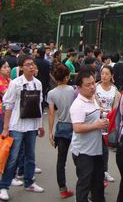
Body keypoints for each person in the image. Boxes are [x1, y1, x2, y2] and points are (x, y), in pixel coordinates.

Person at [0, 56, 45, 201]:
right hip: (16, 125)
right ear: (21, 67)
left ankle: (29, 182)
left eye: (32, 64)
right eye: (28, 65)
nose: (31, 67)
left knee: (30, 155)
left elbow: (39, 106)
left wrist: (40, 125)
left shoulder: (38, 84)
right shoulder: (16, 83)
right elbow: (8, 105)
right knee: (13, 157)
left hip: (32, 125)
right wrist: (5, 127)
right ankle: (3, 187)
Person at [69, 71, 108, 202]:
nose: (92, 87)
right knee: (84, 185)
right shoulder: (78, 105)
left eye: (93, 83)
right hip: (83, 152)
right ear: (79, 88)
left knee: (98, 184)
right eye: (88, 85)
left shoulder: (92, 98)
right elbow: (77, 127)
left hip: (96, 150)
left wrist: (100, 115)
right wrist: (97, 125)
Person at [47, 64, 75, 199]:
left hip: (61, 127)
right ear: (67, 77)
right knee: (81, 159)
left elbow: (51, 114)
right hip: (75, 126)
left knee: (61, 160)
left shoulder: (51, 93)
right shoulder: (73, 90)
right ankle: (89, 186)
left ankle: (63, 189)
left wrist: (50, 132)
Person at [95, 65, 120, 183]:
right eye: (102, 73)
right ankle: (97, 171)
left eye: (107, 74)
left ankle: (104, 171)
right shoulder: (95, 88)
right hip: (96, 122)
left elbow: (117, 108)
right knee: (96, 147)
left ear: (112, 76)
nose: (104, 76)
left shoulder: (115, 91)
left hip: (108, 123)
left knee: (105, 148)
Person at [0, 59, 11, 134]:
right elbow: (8, 95)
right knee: (2, 135)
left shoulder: (9, 80)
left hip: (8, 110)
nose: (7, 69)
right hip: (1, 111)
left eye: (8, 67)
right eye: (4, 67)